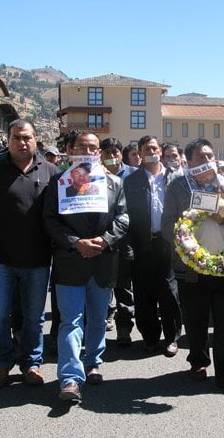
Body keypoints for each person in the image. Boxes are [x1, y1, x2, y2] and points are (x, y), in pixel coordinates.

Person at [0, 119, 59, 388]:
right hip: (1, 260)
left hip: (38, 260)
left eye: (27, 137)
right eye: (16, 138)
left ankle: (31, 364)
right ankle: (2, 363)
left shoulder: (52, 172)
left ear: (36, 140)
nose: (22, 143)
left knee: (34, 317)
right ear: (8, 141)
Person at [43, 131, 128, 401]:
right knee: (71, 321)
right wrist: (75, 242)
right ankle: (69, 378)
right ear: (70, 150)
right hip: (71, 262)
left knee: (98, 319)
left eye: (92, 148)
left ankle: (93, 362)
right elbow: (49, 220)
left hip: (103, 261)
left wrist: (104, 240)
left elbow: (124, 217)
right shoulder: (58, 182)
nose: (87, 151)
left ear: (99, 152)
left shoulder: (114, 183)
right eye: (82, 147)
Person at [162, 138, 224, 394]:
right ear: (188, 161)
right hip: (192, 266)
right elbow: (167, 225)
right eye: (201, 157)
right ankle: (198, 362)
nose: (207, 161)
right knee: (196, 319)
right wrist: (188, 234)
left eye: (210, 156)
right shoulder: (178, 186)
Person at [124, 135, 182, 356]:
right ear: (139, 153)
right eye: (147, 149)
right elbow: (125, 214)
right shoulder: (131, 181)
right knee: (144, 293)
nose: (152, 152)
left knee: (169, 291)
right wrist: (128, 245)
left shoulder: (175, 178)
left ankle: (172, 338)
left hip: (168, 242)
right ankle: (149, 337)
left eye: (155, 148)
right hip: (142, 243)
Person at [100, 137, 135, 344]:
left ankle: (125, 328)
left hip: (126, 239)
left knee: (124, 286)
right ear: (101, 156)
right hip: (101, 238)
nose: (112, 156)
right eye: (108, 153)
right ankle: (106, 315)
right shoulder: (93, 176)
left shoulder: (132, 175)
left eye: (116, 152)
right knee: (103, 284)